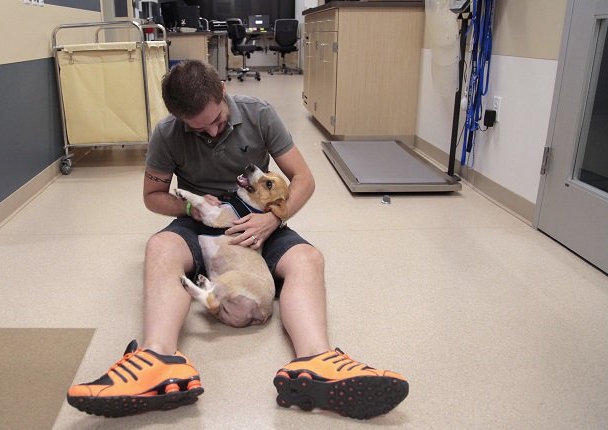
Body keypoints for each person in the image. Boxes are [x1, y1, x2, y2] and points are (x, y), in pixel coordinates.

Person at [67, 60, 409, 420]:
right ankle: (157, 359)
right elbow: (152, 196)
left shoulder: (259, 114)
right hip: (198, 221)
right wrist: (189, 206)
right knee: (159, 247)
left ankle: (316, 363)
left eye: (216, 121)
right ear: (181, 120)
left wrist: (272, 218)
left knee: (308, 259)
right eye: (198, 129)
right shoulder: (166, 133)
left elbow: (304, 178)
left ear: (223, 93)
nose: (212, 132)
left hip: (256, 220)